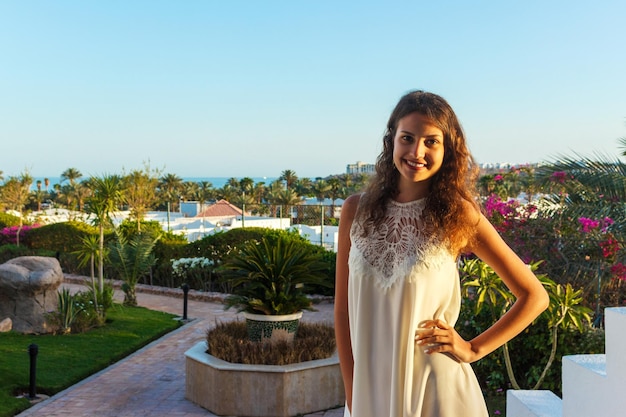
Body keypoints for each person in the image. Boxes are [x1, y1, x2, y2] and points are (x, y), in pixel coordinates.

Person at [334, 90, 549, 417]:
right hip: (370, 395)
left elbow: (534, 296)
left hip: (436, 395)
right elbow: (342, 311)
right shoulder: (355, 210)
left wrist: (473, 348)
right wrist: (353, 394)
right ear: (391, 140)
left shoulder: (459, 216)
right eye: (407, 137)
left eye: (431, 141)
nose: (416, 151)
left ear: (448, 150)